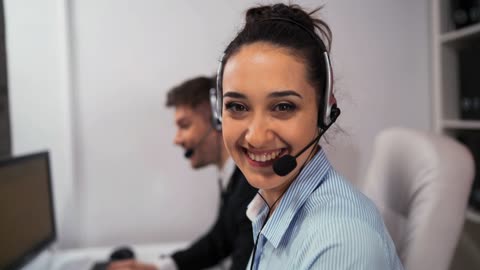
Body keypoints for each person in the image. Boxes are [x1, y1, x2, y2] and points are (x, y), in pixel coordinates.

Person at [214, 3, 404, 270]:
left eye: (283, 107)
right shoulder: (270, 207)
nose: (256, 137)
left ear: (324, 111)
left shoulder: (340, 244)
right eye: (237, 106)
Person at [108, 76, 257, 270]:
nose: (177, 139)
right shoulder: (234, 179)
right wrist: (158, 268)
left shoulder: (252, 188)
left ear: (219, 121)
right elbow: (218, 240)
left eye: (184, 126)